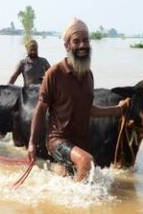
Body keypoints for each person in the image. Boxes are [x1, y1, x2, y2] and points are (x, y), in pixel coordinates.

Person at [27, 18, 129, 182]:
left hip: (81, 141)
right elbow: (40, 109)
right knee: (86, 161)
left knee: (76, 176)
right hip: (57, 141)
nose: (82, 45)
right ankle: (77, 207)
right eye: (76, 41)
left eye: (86, 40)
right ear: (67, 45)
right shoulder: (54, 74)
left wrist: (118, 109)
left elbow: (89, 110)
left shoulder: (88, 75)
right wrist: (32, 143)